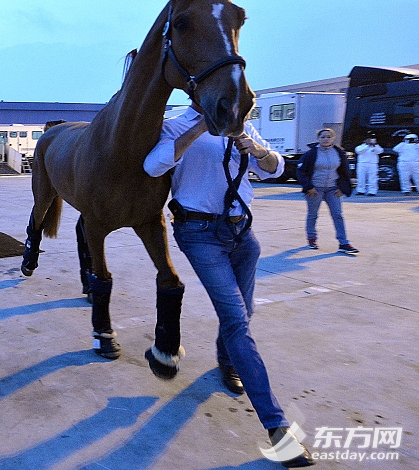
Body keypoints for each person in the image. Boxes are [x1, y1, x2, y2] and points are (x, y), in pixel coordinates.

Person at [143, 102, 315, 468]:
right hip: (199, 232)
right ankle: (278, 429)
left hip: (243, 233)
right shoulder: (175, 126)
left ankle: (226, 360)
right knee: (237, 321)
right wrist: (200, 128)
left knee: (244, 313)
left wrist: (259, 151)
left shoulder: (239, 125)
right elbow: (153, 165)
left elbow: (277, 169)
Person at [296, 128, 358, 254]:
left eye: (328, 137)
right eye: (323, 137)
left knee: (338, 215)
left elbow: (345, 172)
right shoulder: (311, 154)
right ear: (318, 139)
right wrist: (309, 187)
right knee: (313, 215)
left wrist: (343, 188)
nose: (325, 139)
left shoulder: (339, 153)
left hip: (333, 189)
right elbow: (301, 172)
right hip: (315, 189)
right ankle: (312, 238)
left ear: (333, 138)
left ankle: (344, 243)